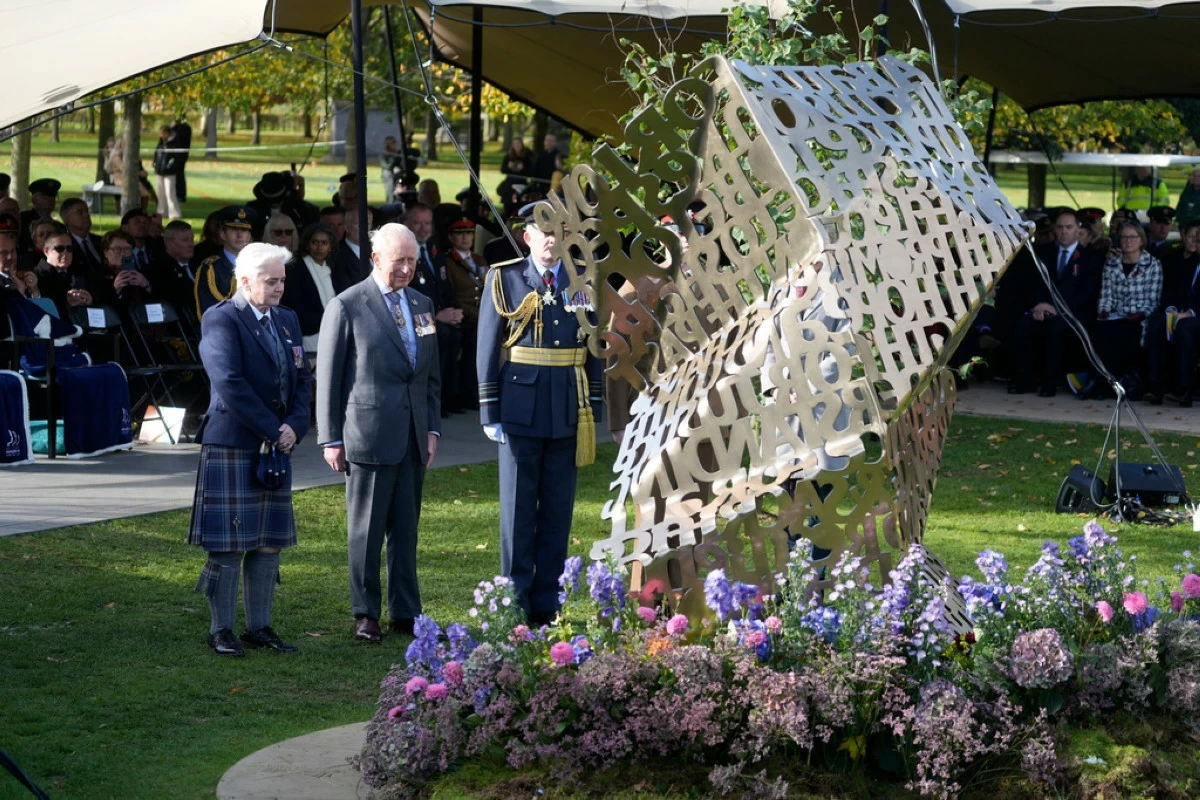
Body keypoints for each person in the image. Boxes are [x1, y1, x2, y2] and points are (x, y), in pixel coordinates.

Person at [476, 202, 602, 625]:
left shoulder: (582, 278)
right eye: (542, 230)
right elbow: (488, 347)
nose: (551, 239)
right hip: (519, 407)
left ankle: (548, 600)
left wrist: (594, 402)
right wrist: (488, 409)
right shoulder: (506, 277)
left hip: (567, 405)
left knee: (557, 509)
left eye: (558, 231)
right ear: (526, 236)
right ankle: (515, 599)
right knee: (517, 510)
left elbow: (593, 345)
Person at [316, 222, 442, 643]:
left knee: (406, 531)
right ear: (375, 259)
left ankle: (406, 612)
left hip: (412, 436)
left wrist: (433, 428)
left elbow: (429, 376)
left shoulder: (422, 304)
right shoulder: (348, 305)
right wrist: (330, 437)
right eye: (398, 261)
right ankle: (365, 612)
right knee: (366, 532)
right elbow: (328, 378)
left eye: (412, 260)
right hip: (367, 435)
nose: (406, 268)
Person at [189, 242, 313, 656]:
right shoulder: (221, 318)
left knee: (268, 540)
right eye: (270, 281)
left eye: (282, 280)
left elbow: (303, 378)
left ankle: (259, 627)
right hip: (234, 442)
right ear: (244, 281)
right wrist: (274, 429)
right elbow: (228, 382)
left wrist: (295, 426)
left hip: (276, 443)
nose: (279, 288)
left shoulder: (288, 320)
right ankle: (220, 630)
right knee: (227, 544)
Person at [1009, 209, 1102, 397]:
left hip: (1073, 315)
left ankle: (1049, 382)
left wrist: (1057, 309)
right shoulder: (1043, 252)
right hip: (1043, 310)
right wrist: (1037, 306)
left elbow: (1087, 293)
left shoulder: (1090, 257)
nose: (1064, 231)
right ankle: (1025, 380)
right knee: (1022, 327)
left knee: (1056, 328)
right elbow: (1034, 284)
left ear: (1078, 230)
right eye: (1060, 227)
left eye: (1069, 227)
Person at [1081, 221, 1163, 399]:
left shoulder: (1153, 265)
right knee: (1101, 331)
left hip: (1140, 317)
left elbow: (1154, 299)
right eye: (1124, 237)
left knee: (1126, 333)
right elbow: (1106, 294)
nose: (1128, 241)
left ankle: (1110, 383)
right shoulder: (1111, 264)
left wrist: (1141, 313)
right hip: (1114, 315)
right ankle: (1101, 381)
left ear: (1141, 240)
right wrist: (1103, 310)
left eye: (1133, 237)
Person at [406, 203, 463, 414]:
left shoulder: (433, 248)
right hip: (416, 317)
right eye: (417, 223)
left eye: (427, 223)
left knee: (457, 334)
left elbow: (444, 284)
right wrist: (437, 316)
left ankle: (452, 396)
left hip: (440, 313)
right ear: (406, 223)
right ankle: (432, 402)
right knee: (439, 336)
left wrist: (454, 310)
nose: (423, 228)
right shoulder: (405, 252)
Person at [1145, 220, 1200, 407]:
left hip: (1194, 315)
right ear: (1183, 236)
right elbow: (1167, 289)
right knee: (1156, 324)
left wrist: (1190, 312)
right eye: (1191, 236)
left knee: (1185, 329)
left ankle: (1184, 389)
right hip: (1175, 310)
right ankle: (1156, 385)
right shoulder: (1173, 258)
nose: (1194, 241)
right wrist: (1171, 309)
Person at [443, 214, 489, 410]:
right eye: (460, 234)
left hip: (480, 316)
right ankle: (464, 394)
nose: (465, 238)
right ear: (451, 237)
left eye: (469, 233)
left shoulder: (479, 259)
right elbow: (453, 296)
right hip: (465, 317)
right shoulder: (448, 261)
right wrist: (481, 316)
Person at [281, 222, 338, 356]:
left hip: (332, 336)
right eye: (315, 242)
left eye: (324, 243)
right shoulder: (295, 270)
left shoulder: (332, 270)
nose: (319, 247)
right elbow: (294, 306)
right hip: (307, 339)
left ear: (330, 246)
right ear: (307, 244)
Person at [194, 206, 256, 319]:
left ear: (249, 236)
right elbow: (210, 313)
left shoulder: (259, 267)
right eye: (233, 229)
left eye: (244, 230)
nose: (239, 235)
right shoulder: (210, 269)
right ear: (222, 234)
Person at [18, 178, 59, 253]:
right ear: (34, 199)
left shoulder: (59, 226)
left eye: (53, 196)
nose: (50, 199)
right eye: (45, 196)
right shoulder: (23, 219)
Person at [153, 125, 182, 219]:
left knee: (170, 192)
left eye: (162, 133)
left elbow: (177, 157)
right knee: (160, 193)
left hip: (170, 172)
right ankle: (161, 212)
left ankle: (174, 213)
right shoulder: (161, 141)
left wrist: (170, 165)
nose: (161, 135)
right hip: (159, 171)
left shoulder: (175, 142)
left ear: (166, 133)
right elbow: (157, 152)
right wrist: (155, 162)